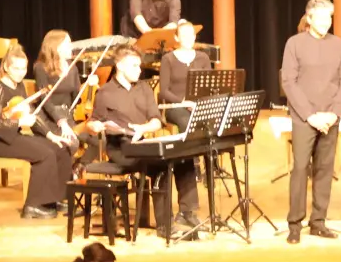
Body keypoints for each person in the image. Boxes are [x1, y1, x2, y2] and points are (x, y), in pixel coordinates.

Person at [89, 46, 186, 237]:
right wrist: (96, 127)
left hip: (141, 142)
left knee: (165, 163)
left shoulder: (144, 88)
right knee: (156, 165)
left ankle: (166, 225)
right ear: (119, 66)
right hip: (120, 147)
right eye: (134, 66)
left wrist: (142, 128)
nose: (139, 70)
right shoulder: (105, 92)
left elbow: (157, 120)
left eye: (139, 66)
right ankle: (164, 226)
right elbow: (93, 121)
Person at [280, 0, 341, 244]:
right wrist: (310, 115)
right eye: (321, 18)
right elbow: (288, 81)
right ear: (309, 18)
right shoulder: (294, 43)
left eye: (329, 17)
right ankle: (295, 223)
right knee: (300, 169)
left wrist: (333, 113)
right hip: (304, 117)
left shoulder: (339, 45)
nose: (326, 22)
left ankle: (318, 221)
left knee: (324, 169)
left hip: (330, 118)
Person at [0, 44, 75, 218]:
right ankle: (34, 205)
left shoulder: (20, 86)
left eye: (23, 68)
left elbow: (32, 114)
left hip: (13, 136)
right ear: (6, 67)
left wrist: (51, 135)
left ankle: (59, 197)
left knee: (59, 147)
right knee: (45, 153)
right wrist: (20, 121)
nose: (20, 72)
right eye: (16, 68)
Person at [155, 20, 212, 230]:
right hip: (174, 107)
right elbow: (164, 91)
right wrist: (183, 102)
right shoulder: (168, 59)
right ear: (177, 38)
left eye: (192, 35)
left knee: (208, 122)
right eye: (184, 35)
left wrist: (197, 103)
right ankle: (195, 159)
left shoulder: (203, 57)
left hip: (197, 106)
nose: (189, 39)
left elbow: (209, 84)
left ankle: (203, 158)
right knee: (187, 122)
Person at [33, 30, 86, 157]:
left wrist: (87, 85)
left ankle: (78, 167)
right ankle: (65, 173)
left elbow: (75, 98)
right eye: (67, 43)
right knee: (71, 143)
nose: (71, 46)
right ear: (56, 46)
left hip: (68, 114)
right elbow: (44, 99)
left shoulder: (72, 67)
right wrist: (61, 121)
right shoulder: (41, 67)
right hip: (50, 116)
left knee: (97, 140)